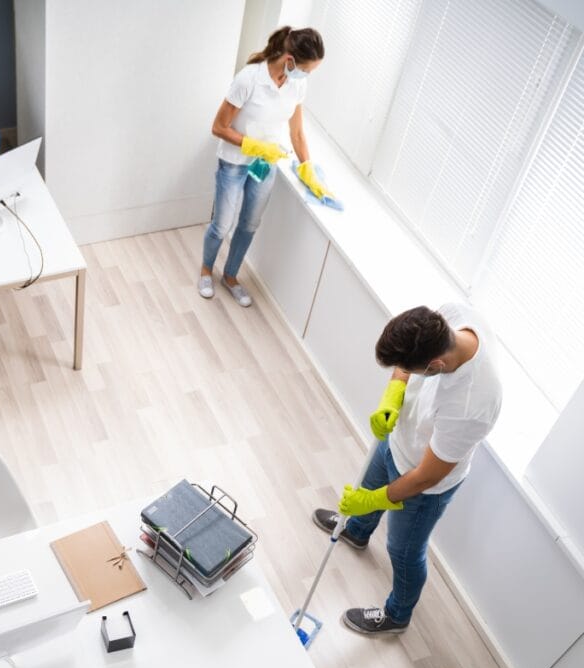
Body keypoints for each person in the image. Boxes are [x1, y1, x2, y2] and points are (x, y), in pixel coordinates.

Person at [313, 305, 502, 635]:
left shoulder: (473, 403)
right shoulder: (451, 317)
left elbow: (427, 476)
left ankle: (397, 614)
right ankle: (357, 530)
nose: (404, 371)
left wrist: (373, 500)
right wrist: (393, 395)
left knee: (403, 551)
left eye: (412, 371)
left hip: (423, 483)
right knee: (368, 487)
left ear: (435, 366)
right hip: (398, 440)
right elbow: (405, 362)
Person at [199, 26, 329, 307]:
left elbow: (296, 133)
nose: (307, 76)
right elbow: (218, 127)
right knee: (222, 225)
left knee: (249, 224)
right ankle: (206, 271)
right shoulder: (249, 79)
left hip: (264, 165)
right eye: (306, 70)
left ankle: (230, 276)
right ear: (290, 60)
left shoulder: (297, 85)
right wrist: (255, 146)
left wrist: (308, 168)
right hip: (234, 162)